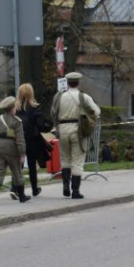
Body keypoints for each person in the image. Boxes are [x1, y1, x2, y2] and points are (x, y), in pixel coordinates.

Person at [51, 71, 100, 200]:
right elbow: (96, 111)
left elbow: (53, 112)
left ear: (67, 83)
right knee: (77, 161)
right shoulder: (84, 97)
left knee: (65, 159)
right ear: (78, 83)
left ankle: (65, 187)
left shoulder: (59, 96)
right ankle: (75, 191)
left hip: (62, 129)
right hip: (78, 130)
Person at [16, 83, 51, 197]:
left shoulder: (15, 108)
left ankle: (15, 188)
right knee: (32, 165)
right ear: (31, 93)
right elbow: (41, 124)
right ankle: (34, 189)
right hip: (32, 139)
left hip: (18, 139)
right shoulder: (34, 108)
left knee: (17, 165)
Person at [0, 95, 31, 203]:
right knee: (17, 172)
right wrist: (22, 153)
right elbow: (20, 140)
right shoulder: (17, 121)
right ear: (12, 108)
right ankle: (21, 196)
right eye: (15, 107)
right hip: (11, 148)